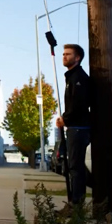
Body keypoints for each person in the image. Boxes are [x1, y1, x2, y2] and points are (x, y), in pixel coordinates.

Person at [55, 44, 91, 215]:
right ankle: (75, 204)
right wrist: (64, 118)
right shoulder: (72, 76)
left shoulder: (78, 78)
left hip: (78, 128)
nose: (64, 56)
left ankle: (76, 206)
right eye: (63, 54)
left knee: (75, 168)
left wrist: (65, 119)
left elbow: (78, 104)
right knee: (75, 168)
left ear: (77, 58)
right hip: (75, 127)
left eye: (68, 54)